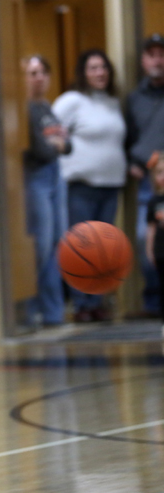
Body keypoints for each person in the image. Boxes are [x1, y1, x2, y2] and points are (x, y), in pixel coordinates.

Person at [53, 49, 126, 322]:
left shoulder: (113, 102)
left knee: (105, 250)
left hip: (111, 186)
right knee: (82, 248)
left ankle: (97, 302)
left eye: (103, 67)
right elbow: (49, 129)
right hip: (81, 186)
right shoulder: (72, 100)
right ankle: (81, 304)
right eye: (93, 68)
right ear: (83, 72)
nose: (99, 73)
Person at [23, 55, 71, 327]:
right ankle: (30, 309)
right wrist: (56, 144)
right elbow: (38, 150)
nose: (38, 77)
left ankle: (54, 313)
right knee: (39, 246)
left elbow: (69, 144)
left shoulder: (48, 108)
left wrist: (56, 144)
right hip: (35, 178)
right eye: (33, 73)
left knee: (57, 243)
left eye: (42, 72)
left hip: (55, 176)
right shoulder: (25, 109)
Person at [127, 34, 164, 317]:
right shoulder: (134, 99)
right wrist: (133, 161)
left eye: (161, 54)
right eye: (152, 55)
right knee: (144, 238)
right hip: (148, 184)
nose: (158, 60)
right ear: (143, 61)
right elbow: (128, 137)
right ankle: (153, 301)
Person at [144, 153, 164, 334]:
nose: (162, 176)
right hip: (160, 251)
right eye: (159, 172)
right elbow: (150, 229)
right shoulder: (153, 201)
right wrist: (149, 251)